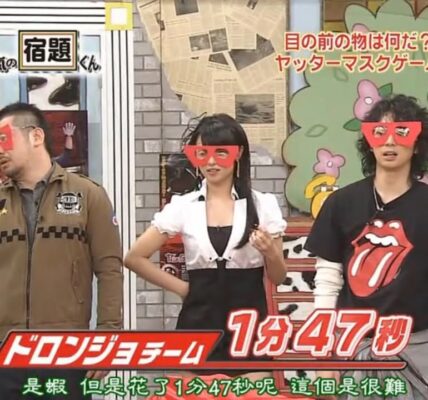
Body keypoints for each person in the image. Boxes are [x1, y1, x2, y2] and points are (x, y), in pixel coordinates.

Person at [125, 113, 287, 379]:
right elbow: (134, 257)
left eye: (221, 152)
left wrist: (271, 253)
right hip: (197, 326)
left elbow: (278, 276)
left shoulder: (263, 205)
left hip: (249, 329)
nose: (211, 162)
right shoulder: (183, 206)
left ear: (238, 153)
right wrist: (183, 289)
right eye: (202, 153)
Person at [305, 94, 428, 399]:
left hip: (419, 351)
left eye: (402, 132)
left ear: (417, 144)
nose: (390, 142)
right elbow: (327, 281)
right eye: (379, 132)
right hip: (353, 346)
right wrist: (324, 355)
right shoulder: (341, 202)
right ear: (368, 142)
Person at [0, 102, 123, 400]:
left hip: (66, 351)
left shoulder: (88, 194)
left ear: (36, 136)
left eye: (4, 138)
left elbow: (109, 269)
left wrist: (108, 335)